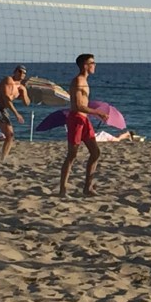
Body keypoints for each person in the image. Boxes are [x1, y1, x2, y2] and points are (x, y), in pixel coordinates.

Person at [59, 54, 109, 198]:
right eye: (92, 63)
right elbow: (78, 105)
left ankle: (87, 188)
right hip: (75, 119)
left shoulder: (85, 81)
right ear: (84, 65)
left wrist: (93, 113)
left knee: (95, 152)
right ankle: (62, 190)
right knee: (72, 155)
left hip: (84, 119)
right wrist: (97, 112)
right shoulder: (78, 81)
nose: (95, 65)